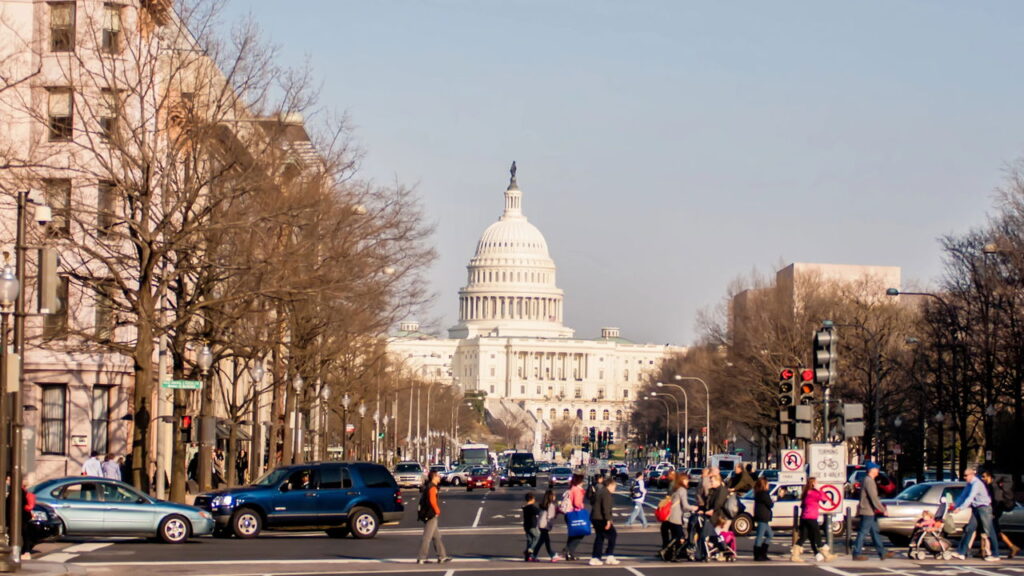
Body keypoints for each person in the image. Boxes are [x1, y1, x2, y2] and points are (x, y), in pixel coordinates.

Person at [950, 467, 1001, 562]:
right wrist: (955, 505)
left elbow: (970, 497)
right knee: (969, 529)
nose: (964, 477)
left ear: (971, 475)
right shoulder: (969, 484)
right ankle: (961, 552)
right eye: (964, 475)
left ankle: (995, 554)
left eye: (966, 475)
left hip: (984, 508)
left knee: (989, 530)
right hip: (976, 508)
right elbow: (963, 496)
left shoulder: (977, 484)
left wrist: (961, 508)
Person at [853, 463, 892, 561]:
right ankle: (857, 553)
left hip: (869, 510)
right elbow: (873, 497)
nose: (878, 471)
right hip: (868, 511)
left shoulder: (867, 480)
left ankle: (882, 552)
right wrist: (883, 510)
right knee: (863, 532)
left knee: (874, 532)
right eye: (877, 469)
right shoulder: (869, 481)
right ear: (872, 470)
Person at [793, 476, 834, 562]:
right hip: (811, 517)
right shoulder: (813, 493)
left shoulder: (806, 493)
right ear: (813, 484)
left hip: (804, 517)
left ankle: (795, 555)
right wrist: (819, 490)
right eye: (816, 482)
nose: (817, 484)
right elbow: (824, 499)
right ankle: (826, 555)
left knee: (803, 536)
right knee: (817, 537)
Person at [982, 470, 1020, 559]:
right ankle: (1012, 547)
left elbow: (997, 500)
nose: (983, 479)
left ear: (990, 477)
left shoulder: (994, 486)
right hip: (997, 509)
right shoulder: (992, 485)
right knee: (995, 530)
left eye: (984, 477)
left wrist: (993, 512)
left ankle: (991, 550)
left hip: (997, 509)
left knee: (992, 529)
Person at [695, 473, 733, 561]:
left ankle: (720, 551)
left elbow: (718, 503)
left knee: (712, 535)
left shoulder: (722, 490)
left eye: (712, 481)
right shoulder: (712, 490)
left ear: (717, 481)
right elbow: (707, 502)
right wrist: (702, 509)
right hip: (711, 517)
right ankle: (709, 552)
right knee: (711, 536)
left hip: (719, 517)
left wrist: (711, 510)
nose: (710, 483)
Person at [416, 470, 451, 564]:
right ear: (434, 477)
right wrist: (437, 510)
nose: (439, 477)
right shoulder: (432, 487)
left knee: (437, 536)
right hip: (430, 514)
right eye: (438, 476)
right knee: (427, 537)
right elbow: (432, 500)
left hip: (429, 513)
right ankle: (422, 557)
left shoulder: (430, 486)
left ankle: (442, 556)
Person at [663, 472, 696, 560]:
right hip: (676, 516)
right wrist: (694, 507)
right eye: (686, 479)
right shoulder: (682, 490)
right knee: (679, 536)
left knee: (675, 535)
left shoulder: (676, 488)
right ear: (683, 480)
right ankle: (667, 551)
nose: (688, 481)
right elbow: (685, 506)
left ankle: (672, 555)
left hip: (670, 515)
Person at [589, 476, 619, 566]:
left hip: (595, 517)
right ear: (609, 485)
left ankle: (595, 557)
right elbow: (606, 508)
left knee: (600, 537)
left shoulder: (600, 491)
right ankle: (609, 555)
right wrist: (608, 520)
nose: (615, 488)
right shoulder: (606, 494)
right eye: (614, 486)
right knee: (613, 534)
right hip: (601, 518)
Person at [561, 473, 587, 561]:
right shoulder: (577, 490)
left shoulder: (571, 488)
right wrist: (582, 506)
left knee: (573, 534)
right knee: (580, 533)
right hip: (574, 514)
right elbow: (577, 503)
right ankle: (568, 550)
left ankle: (569, 552)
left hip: (569, 514)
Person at [533, 489, 562, 562]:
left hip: (541, 524)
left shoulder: (543, 504)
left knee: (541, 541)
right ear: (551, 496)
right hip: (546, 525)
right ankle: (552, 555)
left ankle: (533, 555)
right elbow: (550, 517)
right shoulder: (551, 505)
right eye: (554, 495)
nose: (555, 496)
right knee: (547, 541)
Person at [752, 476, 774, 561]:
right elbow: (770, 504)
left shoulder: (758, 493)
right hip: (763, 517)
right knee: (760, 536)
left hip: (762, 516)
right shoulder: (764, 493)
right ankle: (758, 555)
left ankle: (763, 553)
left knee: (770, 534)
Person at [523, 492, 541, 561]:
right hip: (532, 525)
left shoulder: (525, 507)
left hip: (526, 526)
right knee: (537, 536)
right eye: (534, 498)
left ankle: (528, 557)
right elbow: (538, 511)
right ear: (532, 499)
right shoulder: (532, 507)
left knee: (530, 540)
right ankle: (530, 550)